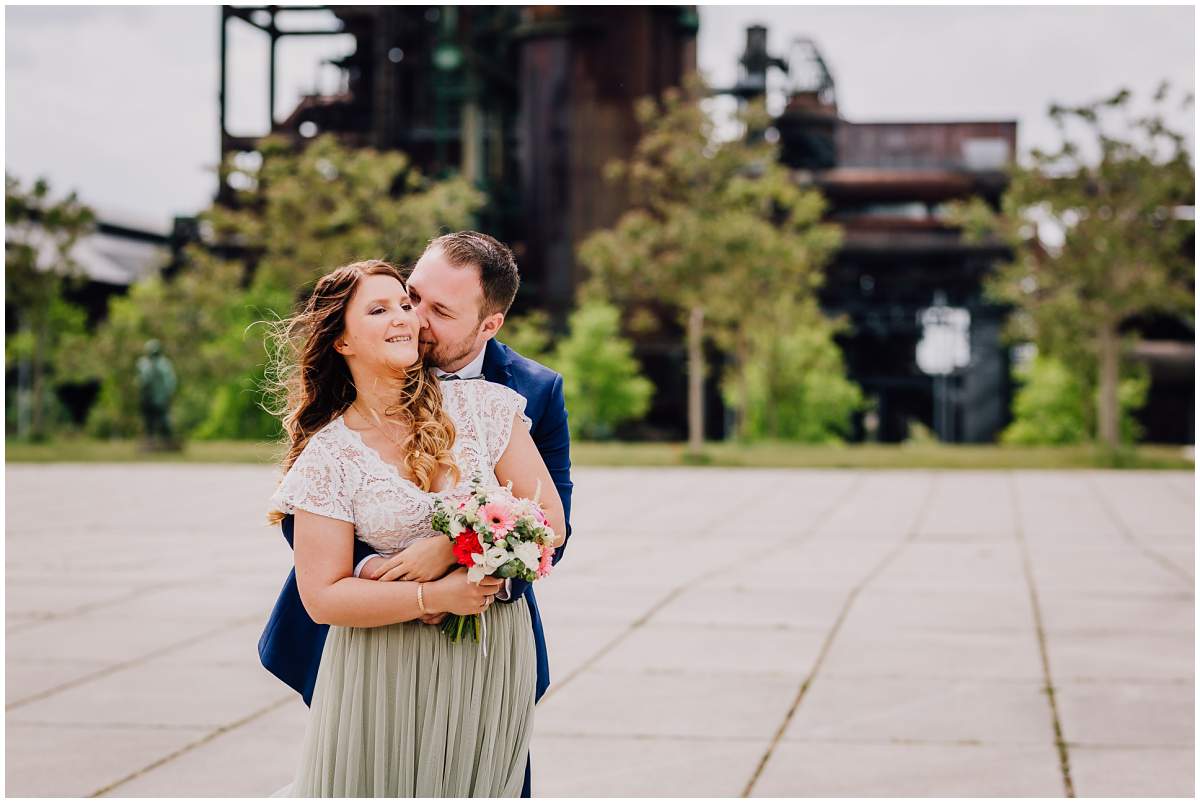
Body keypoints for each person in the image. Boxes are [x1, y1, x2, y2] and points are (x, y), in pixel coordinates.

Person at [260, 234, 573, 795]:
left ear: (488, 325)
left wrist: (455, 552)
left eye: (433, 310)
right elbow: (319, 569)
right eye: (407, 299)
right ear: (341, 340)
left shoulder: (509, 400)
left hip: (488, 645)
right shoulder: (330, 448)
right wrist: (412, 590)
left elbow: (549, 523)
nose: (415, 320)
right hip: (373, 647)